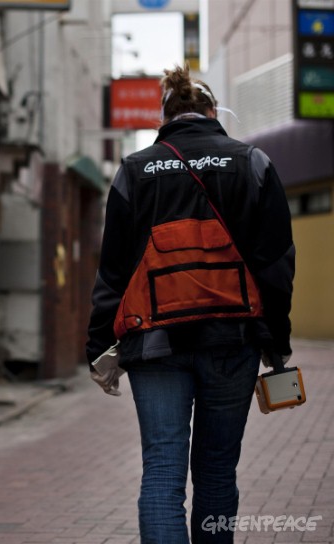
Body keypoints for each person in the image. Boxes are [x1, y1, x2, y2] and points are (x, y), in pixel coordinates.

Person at [86, 64, 295, 543]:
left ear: (166, 115)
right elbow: (277, 262)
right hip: (233, 337)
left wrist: (98, 344)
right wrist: (275, 340)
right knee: (218, 471)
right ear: (211, 111)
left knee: (162, 467)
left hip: (155, 341)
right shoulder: (252, 162)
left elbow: (113, 269)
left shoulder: (135, 170)